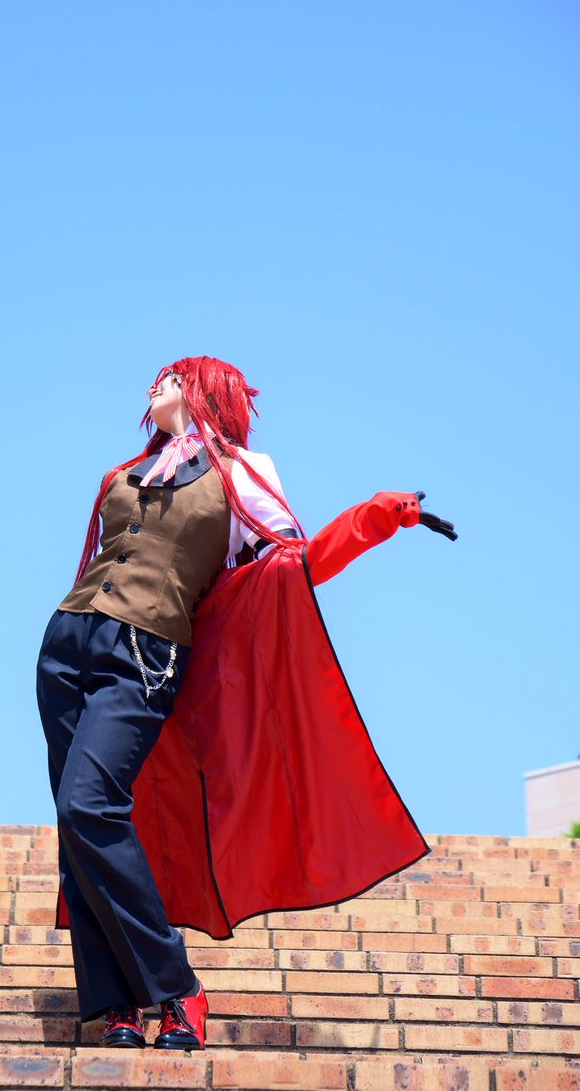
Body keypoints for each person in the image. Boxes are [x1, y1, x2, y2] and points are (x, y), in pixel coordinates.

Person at [35, 355, 456, 1052]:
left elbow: (292, 563)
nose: (156, 383)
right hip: (66, 647)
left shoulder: (241, 473)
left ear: (204, 391)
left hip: (146, 652)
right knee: (76, 829)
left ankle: (176, 986)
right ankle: (118, 1002)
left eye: (174, 376)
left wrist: (375, 518)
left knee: (89, 806)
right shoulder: (121, 475)